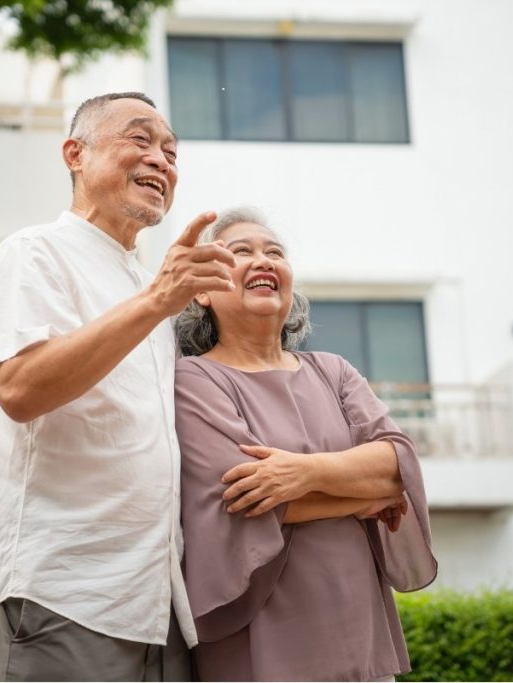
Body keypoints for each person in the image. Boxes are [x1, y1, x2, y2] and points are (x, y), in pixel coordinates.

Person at [0, 92, 237, 681]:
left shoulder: (151, 286)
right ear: (75, 154)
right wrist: (156, 300)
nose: (162, 161)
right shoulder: (32, 253)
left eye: (171, 152)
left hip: (159, 604)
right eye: (139, 140)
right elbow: (19, 388)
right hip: (59, 595)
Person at [174, 208, 438, 681]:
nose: (263, 260)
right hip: (259, 635)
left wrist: (303, 473)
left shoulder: (333, 371)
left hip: (358, 623)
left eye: (274, 252)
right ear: (203, 292)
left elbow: (397, 462)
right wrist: (363, 496)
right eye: (241, 252)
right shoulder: (194, 379)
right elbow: (243, 498)